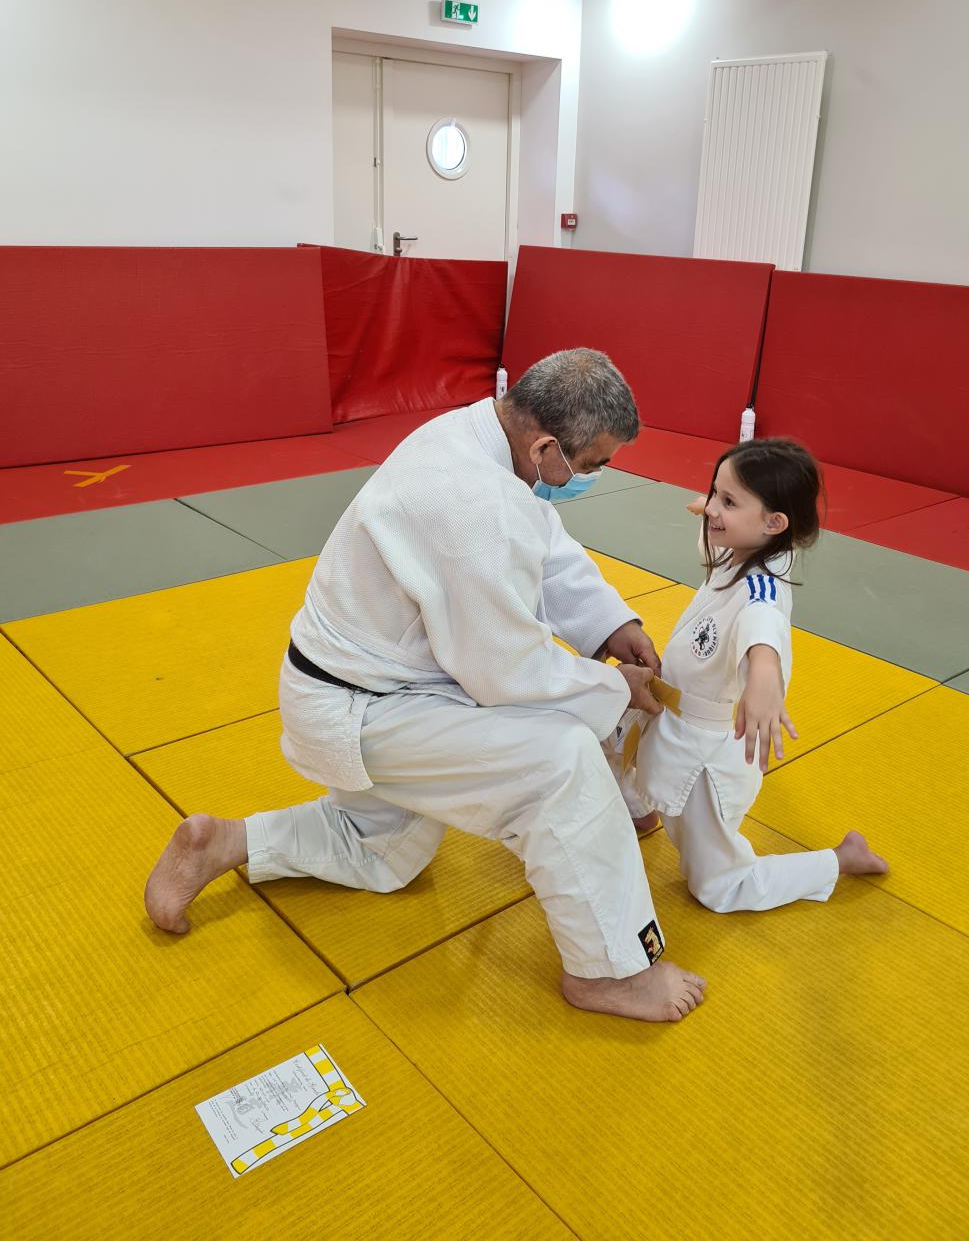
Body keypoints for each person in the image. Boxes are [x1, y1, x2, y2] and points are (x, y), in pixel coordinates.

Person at [146, 349, 706, 1023]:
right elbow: (506, 671)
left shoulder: (475, 434)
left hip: (364, 685)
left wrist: (611, 624)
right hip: (365, 705)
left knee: (384, 853)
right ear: (545, 447)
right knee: (561, 762)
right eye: (590, 465)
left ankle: (226, 842)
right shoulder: (473, 503)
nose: (592, 477)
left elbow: (544, 544)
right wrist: (616, 690)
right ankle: (613, 973)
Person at [605, 437, 888, 914]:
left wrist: (765, 673)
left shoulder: (763, 587)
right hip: (663, 714)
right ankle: (640, 809)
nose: (713, 509)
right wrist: (717, 508)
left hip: (704, 758)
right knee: (597, 735)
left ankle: (840, 859)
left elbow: (764, 626)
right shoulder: (743, 546)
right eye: (714, 492)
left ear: (774, 523)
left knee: (718, 886)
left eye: (729, 502)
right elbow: (716, 534)